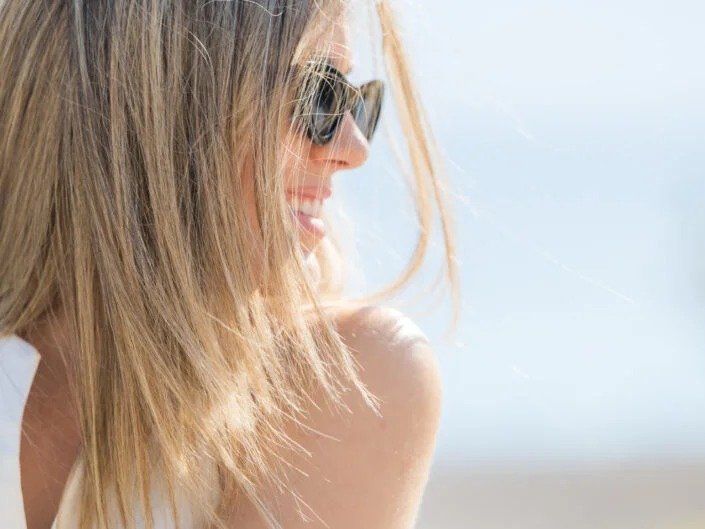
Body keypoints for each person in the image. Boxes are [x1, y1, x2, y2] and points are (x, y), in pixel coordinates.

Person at [0, 1, 459, 528]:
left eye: (358, 102)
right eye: (318, 95)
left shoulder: (342, 383)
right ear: (164, 104)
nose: (354, 148)